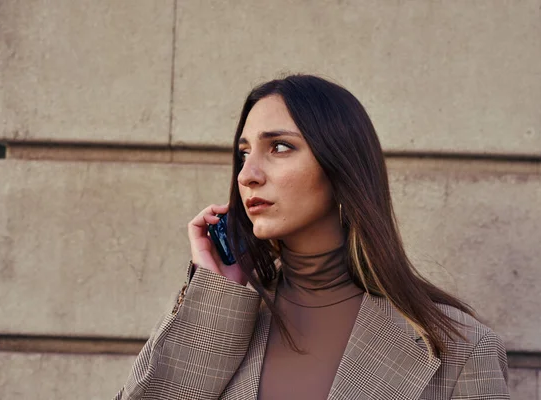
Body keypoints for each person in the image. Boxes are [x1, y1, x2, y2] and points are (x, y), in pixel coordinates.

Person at [114, 75, 509, 400]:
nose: (247, 174)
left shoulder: (459, 347)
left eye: (279, 147)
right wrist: (218, 293)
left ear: (340, 166)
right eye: (244, 153)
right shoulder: (221, 314)